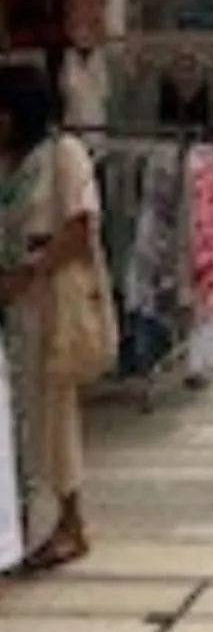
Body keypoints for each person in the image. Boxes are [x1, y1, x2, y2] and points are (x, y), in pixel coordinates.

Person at [0, 63, 105, 571]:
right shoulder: (8, 161)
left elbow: (80, 226)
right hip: (13, 301)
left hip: (47, 299)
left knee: (53, 408)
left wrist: (31, 271)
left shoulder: (62, 155)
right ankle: (19, 521)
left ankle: (69, 520)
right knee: (18, 414)